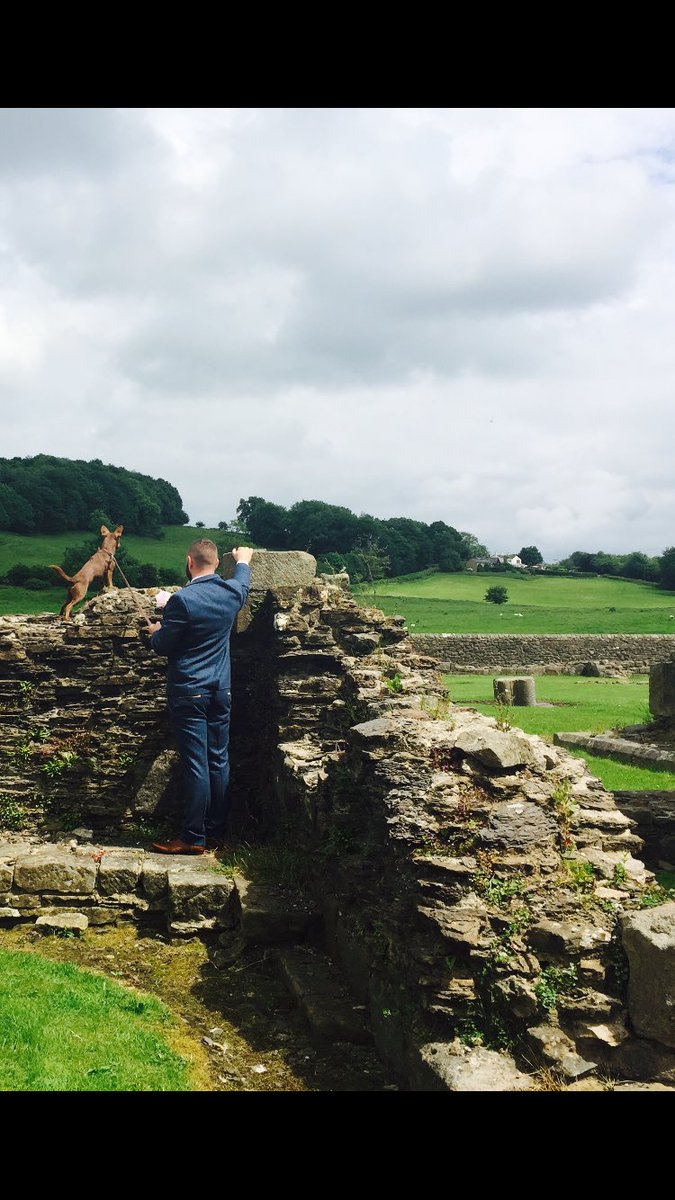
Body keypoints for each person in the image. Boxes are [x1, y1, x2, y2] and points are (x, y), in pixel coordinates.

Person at [145, 539, 253, 854]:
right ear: (217, 563)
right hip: (221, 690)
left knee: (196, 763)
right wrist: (244, 560)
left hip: (189, 691)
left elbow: (164, 646)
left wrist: (155, 632)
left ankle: (193, 837)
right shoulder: (232, 593)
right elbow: (244, 583)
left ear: (189, 561)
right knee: (219, 760)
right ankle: (216, 833)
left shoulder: (182, 600)